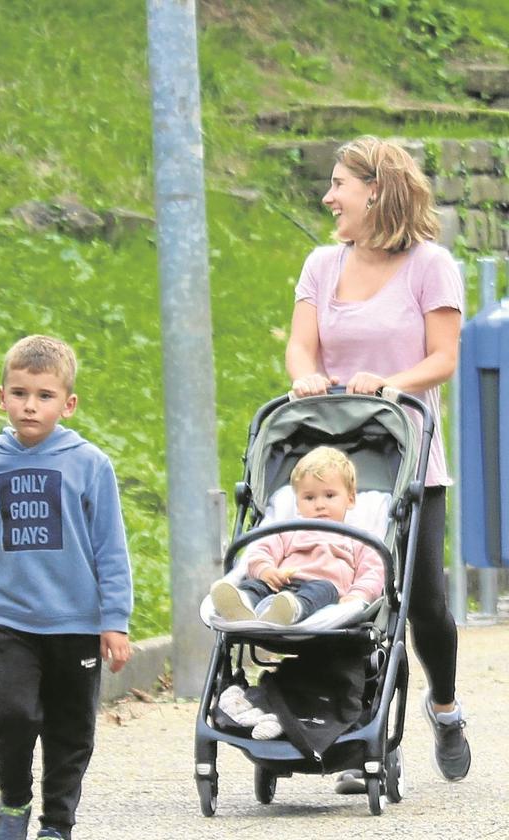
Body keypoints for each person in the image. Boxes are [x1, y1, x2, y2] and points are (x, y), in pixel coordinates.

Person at [284, 135, 469, 787]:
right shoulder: (320, 265)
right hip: (338, 460)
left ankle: (444, 708)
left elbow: (443, 356)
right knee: (354, 596)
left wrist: (391, 382)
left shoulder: (431, 264)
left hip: (411, 456)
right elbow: (302, 349)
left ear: (376, 190)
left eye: (339, 184)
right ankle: (367, 743)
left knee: (422, 601)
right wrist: (307, 379)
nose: (329, 196)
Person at [0, 335, 132, 840]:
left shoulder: (90, 465)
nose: (30, 405)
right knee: (12, 714)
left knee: (70, 729)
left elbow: (110, 549)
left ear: (68, 404)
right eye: (19, 393)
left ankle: (57, 823)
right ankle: (13, 802)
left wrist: (114, 621)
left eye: (44, 395)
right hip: (11, 620)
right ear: (1, 397)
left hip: (76, 621)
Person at [210, 446, 384, 625]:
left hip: (325, 596)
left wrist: (357, 595)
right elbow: (260, 550)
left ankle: (293, 609)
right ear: (298, 504)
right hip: (279, 588)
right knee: (257, 586)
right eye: (309, 498)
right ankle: (243, 603)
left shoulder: (357, 539)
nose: (319, 505)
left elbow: (373, 572)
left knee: (324, 588)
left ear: (350, 499)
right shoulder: (289, 530)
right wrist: (267, 571)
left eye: (329, 496)